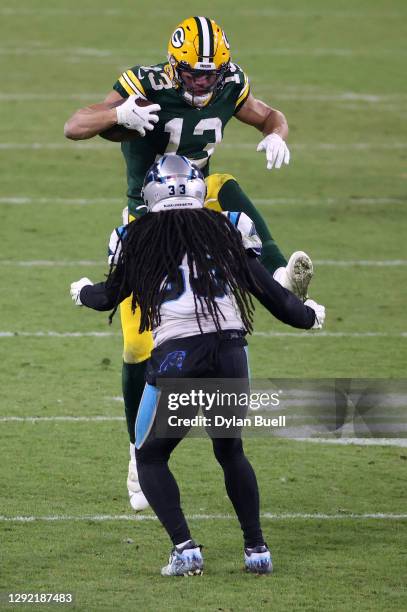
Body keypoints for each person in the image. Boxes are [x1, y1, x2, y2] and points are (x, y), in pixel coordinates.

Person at [64, 16, 314, 510]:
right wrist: (119, 117)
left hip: (197, 209)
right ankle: (138, 450)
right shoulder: (146, 82)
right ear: (175, 66)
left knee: (221, 182)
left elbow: (268, 115)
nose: (201, 82)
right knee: (138, 348)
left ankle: (282, 272)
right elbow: (75, 125)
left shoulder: (232, 82)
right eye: (193, 74)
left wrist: (278, 132)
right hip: (149, 223)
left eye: (209, 74)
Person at [70, 155, 325, 576]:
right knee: (230, 449)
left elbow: (107, 296)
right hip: (229, 351)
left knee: (149, 456)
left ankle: (185, 548)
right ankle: (256, 549)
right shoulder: (229, 227)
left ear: (151, 193)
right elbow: (265, 290)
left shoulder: (134, 237)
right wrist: (307, 316)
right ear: (197, 188)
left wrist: (81, 291)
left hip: (177, 356)